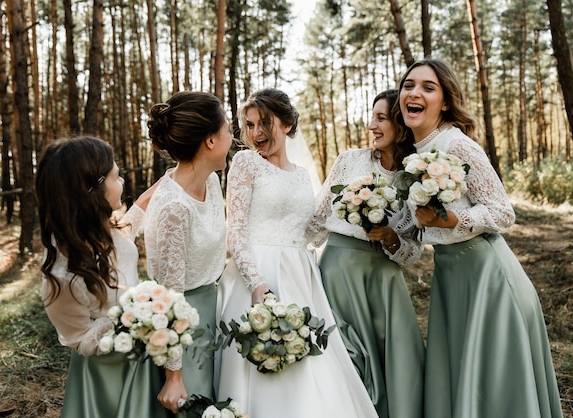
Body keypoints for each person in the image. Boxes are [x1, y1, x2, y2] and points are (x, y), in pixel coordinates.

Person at [393, 58, 563, 418]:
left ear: (446, 101)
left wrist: (456, 218)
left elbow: (504, 212)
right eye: (409, 85)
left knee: (495, 385)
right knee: (462, 377)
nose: (415, 92)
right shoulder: (413, 155)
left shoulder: (458, 146)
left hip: (488, 277)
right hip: (450, 275)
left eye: (428, 87)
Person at [216, 88, 379, 417]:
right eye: (248, 125)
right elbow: (234, 231)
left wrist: (350, 205)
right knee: (263, 362)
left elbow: (309, 231)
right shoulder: (246, 163)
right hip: (258, 275)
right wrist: (257, 282)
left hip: (301, 273)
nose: (255, 134)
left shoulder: (302, 175)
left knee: (310, 361)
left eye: (264, 123)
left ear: (288, 124)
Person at [310, 89, 425, 418]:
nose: (371, 125)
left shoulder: (415, 177)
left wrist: (390, 238)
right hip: (338, 271)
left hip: (384, 278)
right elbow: (318, 216)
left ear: (400, 124)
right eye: (371, 117)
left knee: (398, 355)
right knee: (345, 355)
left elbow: (414, 251)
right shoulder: (350, 160)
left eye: (381, 118)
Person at [37, 136, 165, 418]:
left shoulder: (107, 230)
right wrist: (130, 318)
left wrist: (171, 179)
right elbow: (79, 338)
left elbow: (135, 217)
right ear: (92, 189)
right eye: (116, 176)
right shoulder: (61, 274)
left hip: (142, 356)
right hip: (105, 375)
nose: (122, 183)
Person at [144, 91, 231, 416]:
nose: (232, 137)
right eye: (229, 130)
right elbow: (169, 297)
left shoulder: (210, 182)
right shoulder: (174, 207)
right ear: (210, 140)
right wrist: (174, 375)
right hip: (182, 326)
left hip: (212, 311)